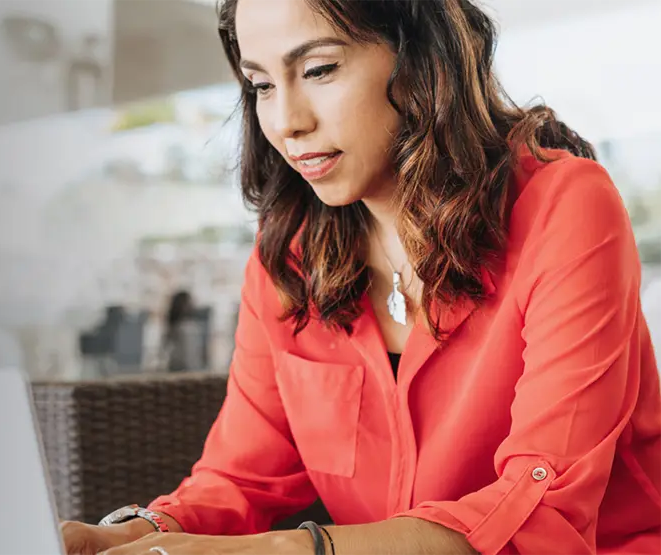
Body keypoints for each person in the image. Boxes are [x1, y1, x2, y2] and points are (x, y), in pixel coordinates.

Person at [60, 0, 661, 552]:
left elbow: (542, 504)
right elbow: (239, 481)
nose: (287, 121)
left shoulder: (565, 206)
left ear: (421, 57)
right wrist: (120, 536)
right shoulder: (288, 259)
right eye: (262, 85)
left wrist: (295, 547)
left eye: (319, 70)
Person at [161, 290, 204, 372]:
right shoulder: (188, 329)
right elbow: (190, 358)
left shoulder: (175, 327)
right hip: (185, 371)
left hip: (175, 371)